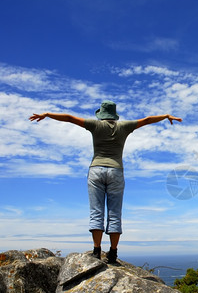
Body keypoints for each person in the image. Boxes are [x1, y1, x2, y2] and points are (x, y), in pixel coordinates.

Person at [29, 100, 182, 264]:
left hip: (96, 170)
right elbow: (147, 120)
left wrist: (47, 114)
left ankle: (96, 251)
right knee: (115, 213)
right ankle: (113, 253)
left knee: (96, 211)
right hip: (116, 171)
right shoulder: (124, 126)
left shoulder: (95, 126)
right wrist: (165, 116)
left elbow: (69, 118)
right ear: (114, 115)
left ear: (101, 115)